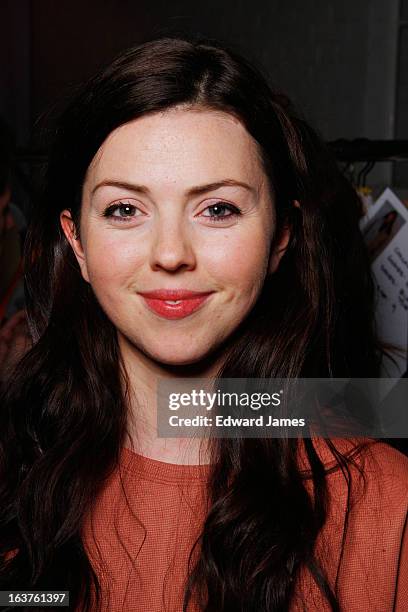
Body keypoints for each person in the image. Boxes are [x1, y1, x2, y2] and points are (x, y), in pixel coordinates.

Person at [0, 37, 407, 612]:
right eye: (125, 209)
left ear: (280, 238)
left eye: (218, 209)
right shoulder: (17, 473)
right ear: (77, 242)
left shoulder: (384, 506)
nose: (170, 254)